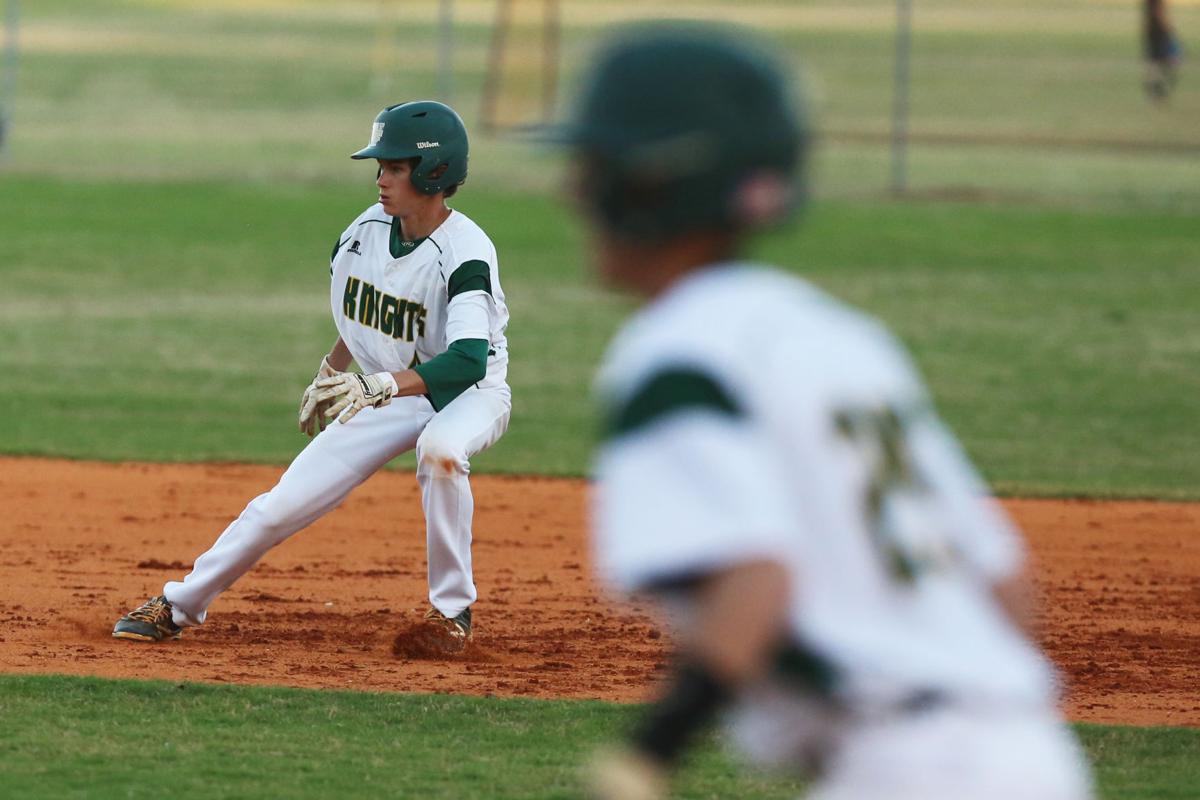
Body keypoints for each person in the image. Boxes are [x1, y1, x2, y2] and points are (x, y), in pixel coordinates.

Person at [554, 25, 1095, 800]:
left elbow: (755, 578)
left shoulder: (674, 354)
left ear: (649, 183)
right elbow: (1002, 581)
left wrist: (643, 759)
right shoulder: (840, 335)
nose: (571, 191)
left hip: (907, 770)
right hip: (1033, 754)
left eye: (591, 166)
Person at [112, 100, 512, 654]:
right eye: (381, 166)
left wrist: (380, 385)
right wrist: (332, 371)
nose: (381, 178)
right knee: (282, 504)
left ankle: (451, 612)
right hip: (389, 390)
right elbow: (364, 318)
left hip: (470, 392)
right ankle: (178, 604)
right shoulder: (367, 231)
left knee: (440, 450)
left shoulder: (466, 251)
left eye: (395, 167)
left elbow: (468, 359)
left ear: (433, 172)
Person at [1144, 0, 1183, 99]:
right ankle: (1156, 89)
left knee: (1156, 63)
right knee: (1167, 62)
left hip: (1154, 31)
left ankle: (1155, 89)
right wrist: (1169, 28)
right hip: (1159, 32)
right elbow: (1159, 13)